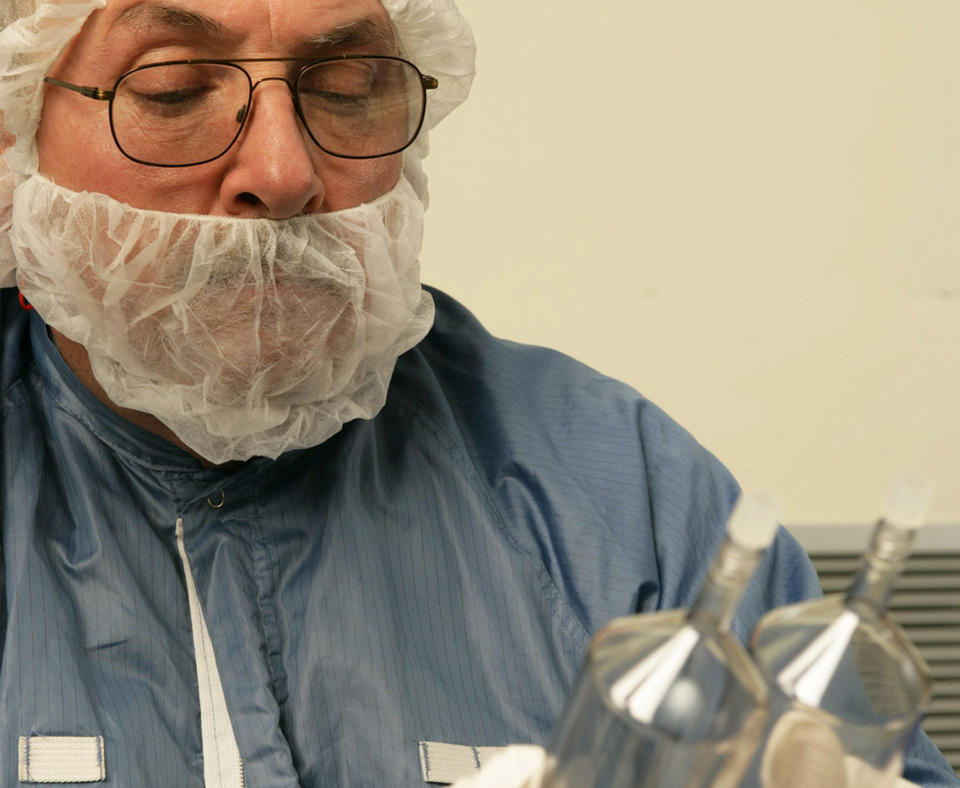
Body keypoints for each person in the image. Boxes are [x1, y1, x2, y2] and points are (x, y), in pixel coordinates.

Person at [0, 1, 955, 786]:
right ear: (14, 143)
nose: (285, 173)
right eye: (172, 92)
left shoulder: (619, 496)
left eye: (347, 88)